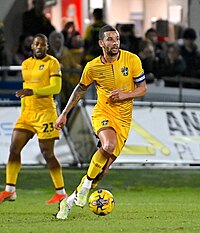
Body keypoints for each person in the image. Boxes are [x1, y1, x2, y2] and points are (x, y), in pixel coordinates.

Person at [54, 25, 147, 219]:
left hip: (124, 119)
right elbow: (79, 90)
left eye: (117, 39)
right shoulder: (92, 67)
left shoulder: (132, 60)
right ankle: (86, 186)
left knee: (102, 171)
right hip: (103, 113)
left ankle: (69, 201)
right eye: (110, 39)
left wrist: (125, 95)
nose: (115, 43)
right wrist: (63, 114)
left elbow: (142, 88)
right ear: (101, 43)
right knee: (108, 144)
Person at [0, 33, 67, 204]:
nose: (39, 47)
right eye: (36, 44)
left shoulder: (52, 63)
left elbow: (56, 87)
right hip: (27, 114)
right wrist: (25, 103)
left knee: (48, 153)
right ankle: (10, 190)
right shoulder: (26, 64)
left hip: (45, 114)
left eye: (43, 45)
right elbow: (26, 86)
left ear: (47, 47)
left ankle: (61, 192)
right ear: (32, 46)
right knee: (14, 148)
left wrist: (33, 91)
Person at [48, 30, 82, 111]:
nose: (57, 40)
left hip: (66, 84)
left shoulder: (66, 51)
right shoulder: (48, 52)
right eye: (54, 38)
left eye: (59, 37)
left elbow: (73, 65)